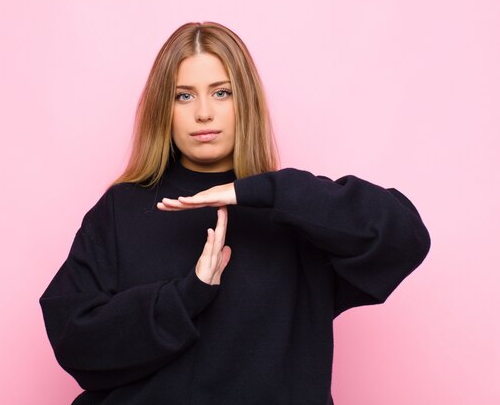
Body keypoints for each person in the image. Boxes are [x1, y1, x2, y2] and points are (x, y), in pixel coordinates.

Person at [39, 21, 431, 405]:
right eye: (184, 96)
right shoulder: (120, 209)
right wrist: (188, 295)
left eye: (222, 92)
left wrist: (261, 189)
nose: (204, 113)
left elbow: (404, 238)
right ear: (164, 109)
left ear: (246, 101)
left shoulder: (297, 215)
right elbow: (76, 342)